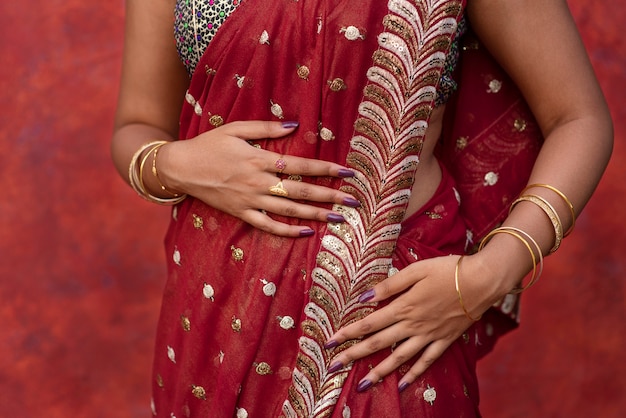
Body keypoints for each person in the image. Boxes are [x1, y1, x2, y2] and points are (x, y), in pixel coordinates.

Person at [111, 0, 613, 416]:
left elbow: (579, 118)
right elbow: (138, 124)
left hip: (388, 320)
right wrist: (174, 164)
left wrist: (487, 274)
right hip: (213, 317)